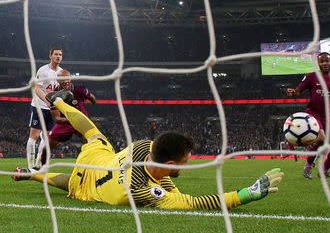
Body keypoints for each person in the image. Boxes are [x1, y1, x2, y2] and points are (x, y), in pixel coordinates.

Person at [13, 90, 284, 210]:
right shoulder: (143, 192)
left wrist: (59, 101)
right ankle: (33, 174)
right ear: (168, 163)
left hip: (99, 158)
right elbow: (194, 203)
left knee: (91, 130)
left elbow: (162, 166)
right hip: (86, 187)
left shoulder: (144, 146)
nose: (187, 165)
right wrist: (245, 195)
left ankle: (58, 102)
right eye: (184, 161)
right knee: (66, 182)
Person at [34, 69, 97, 169]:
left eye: (67, 78)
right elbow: (57, 118)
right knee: (47, 147)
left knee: (90, 142)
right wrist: (72, 119)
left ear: (70, 79)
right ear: (57, 80)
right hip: (65, 123)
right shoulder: (53, 95)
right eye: (62, 79)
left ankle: (90, 167)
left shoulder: (80, 90)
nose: (65, 81)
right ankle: (41, 168)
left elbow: (93, 98)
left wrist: (92, 102)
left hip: (82, 122)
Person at [26, 47, 63, 169]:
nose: (58, 56)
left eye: (60, 55)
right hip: (38, 106)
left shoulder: (62, 73)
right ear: (50, 56)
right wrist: (47, 101)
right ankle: (30, 166)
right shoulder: (43, 70)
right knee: (34, 136)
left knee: (47, 138)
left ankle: (38, 165)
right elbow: (37, 89)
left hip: (52, 109)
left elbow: (60, 91)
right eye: (56, 54)